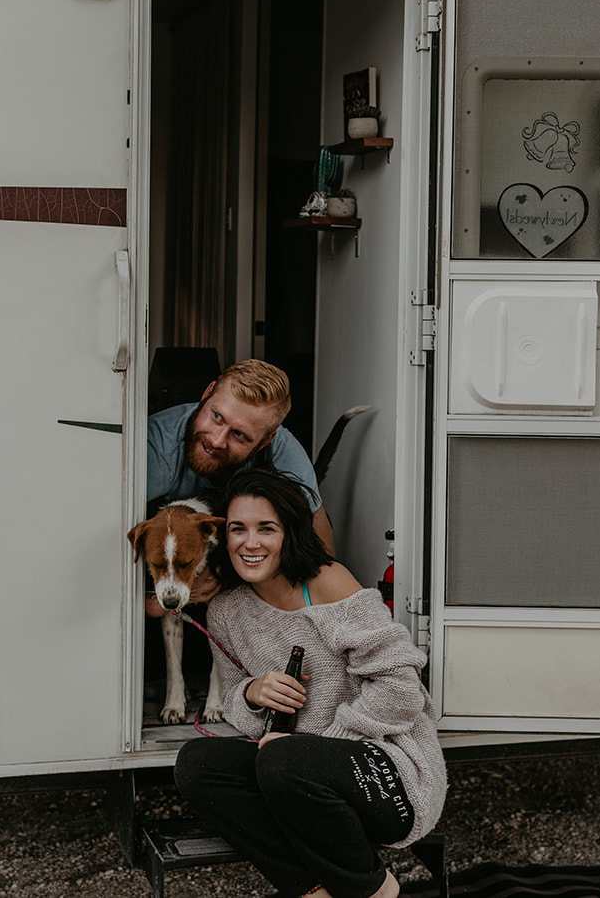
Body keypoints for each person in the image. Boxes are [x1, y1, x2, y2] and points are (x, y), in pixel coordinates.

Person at [175, 470, 445, 898]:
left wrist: (321, 747)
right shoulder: (226, 610)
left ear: (290, 533)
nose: (250, 542)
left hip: (390, 771)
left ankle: (376, 891)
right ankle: (311, 890)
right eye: (237, 529)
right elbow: (231, 700)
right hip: (297, 775)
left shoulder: (326, 582)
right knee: (197, 764)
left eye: (267, 528)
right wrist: (253, 691)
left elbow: (401, 692)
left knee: (283, 760)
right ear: (222, 539)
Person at [144, 359, 330, 619]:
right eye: (217, 416)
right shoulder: (156, 449)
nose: (217, 440)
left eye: (239, 435)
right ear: (207, 394)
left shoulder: (284, 457)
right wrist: (149, 605)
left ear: (266, 440)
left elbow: (321, 556)